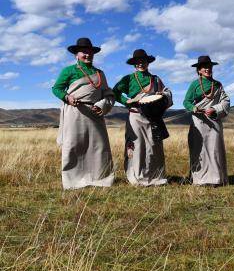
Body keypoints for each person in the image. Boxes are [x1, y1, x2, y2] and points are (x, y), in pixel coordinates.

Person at [51, 37, 115, 189]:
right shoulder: (69, 71)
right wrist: (67, 97)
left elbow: (108, 93)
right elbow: (56, 89)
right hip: (75, 112)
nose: (87, 55)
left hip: (96, 112)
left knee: (99, 146)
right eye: (83, 52)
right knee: (74, 145)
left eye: (90, 52)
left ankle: (100, 179)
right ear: (76, 54)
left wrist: (102, 104)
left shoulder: (100, 73)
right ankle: (73, 181)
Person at [113, 49, 172, 186]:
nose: (141, 64)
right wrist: (125, 101)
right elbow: (115, 92)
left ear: (147, 63)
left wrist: (162, 96)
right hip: (136, 116)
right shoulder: (128, 79)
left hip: (153, 117)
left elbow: (167, 93)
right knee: (137, 145)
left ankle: (156, 176)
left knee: (154, 146)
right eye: (138, 62)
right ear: (134, 64)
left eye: (143, 61)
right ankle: (136, 176)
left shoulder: (156, 79)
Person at [183, 56, 230, 186]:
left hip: (214, 120)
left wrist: (215, 109)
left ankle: (215, 178)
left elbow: (225, 101)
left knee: (214, 148)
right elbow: (186, 102)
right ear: (199, 70)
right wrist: (193, 107)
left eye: (209, 67)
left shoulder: (218, 85)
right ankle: (199, 179)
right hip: (198, 121)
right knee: (199, 148)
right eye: (204, 67)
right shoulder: (194, 84)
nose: (207, 69)